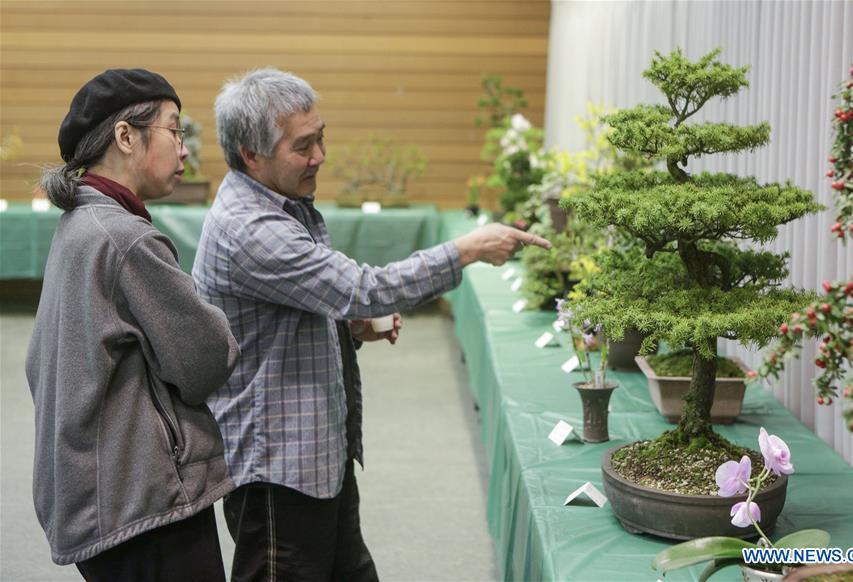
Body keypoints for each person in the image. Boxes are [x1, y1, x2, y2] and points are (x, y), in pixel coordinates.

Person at [191, 68, 551, 581]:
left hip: (314, 455)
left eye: (321, 138)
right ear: (252, 154)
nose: (320, 156)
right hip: (278, 470)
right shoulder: (249, 227)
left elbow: (309, 303)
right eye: (304, 146)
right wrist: (467, 249)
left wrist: (347, 326)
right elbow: (361, 287)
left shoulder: (283, 204)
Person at [26, 69, 240, 582]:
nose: (185, 148)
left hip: (92, 493)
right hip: (142, 505)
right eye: (175, 130)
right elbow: (208, 360)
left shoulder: (80, 223)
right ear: (126, 137)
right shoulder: (126, 239)